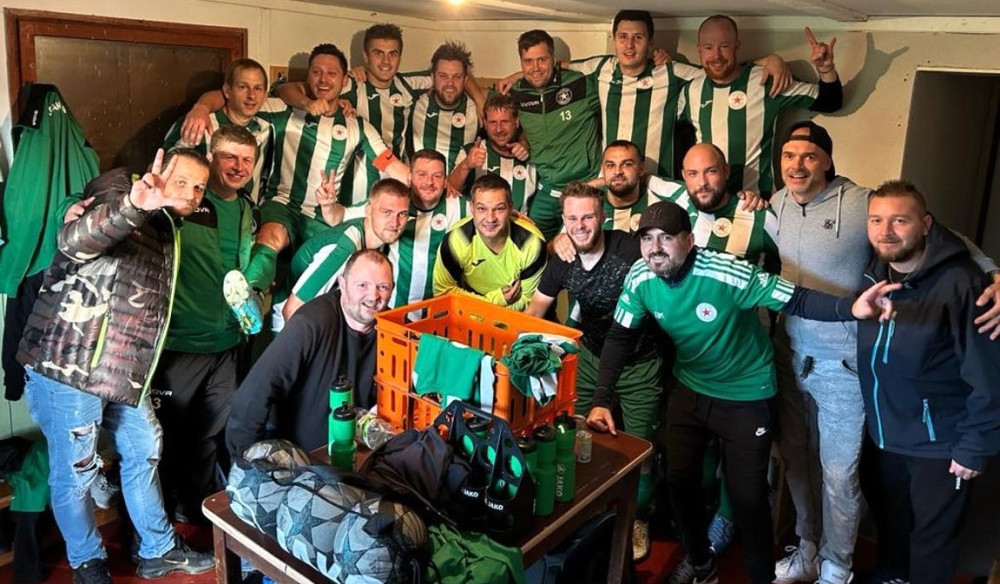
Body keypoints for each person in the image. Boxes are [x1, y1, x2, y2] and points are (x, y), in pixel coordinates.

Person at [593, 200, 894, 584]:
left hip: (745, 394)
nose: (655, 248)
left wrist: (851, 308)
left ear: (689, 240)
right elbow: (620, 337)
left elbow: (796, 298)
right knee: (679, 482)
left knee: (747, 498)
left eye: (666, 238)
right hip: (691, 386)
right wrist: (601, 399)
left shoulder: (726, 272)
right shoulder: (640, 277)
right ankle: (701, 565)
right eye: (647, 238)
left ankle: (760, 577)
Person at [769, 122, 1000, 584]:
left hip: (881, 393)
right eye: (789, 156)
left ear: (828, 160)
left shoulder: (867, 208)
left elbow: (948, 241)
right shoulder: (782, 206)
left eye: (809, 155)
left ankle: (839, 568)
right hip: (827, 381)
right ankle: (841, 557)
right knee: (826, 476)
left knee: (858, 488)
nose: (797, 165)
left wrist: (994, 273)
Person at [17, 149, 215, 583]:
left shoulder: (166, 224)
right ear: (159, 172)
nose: (192, 193)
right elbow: (74, 241)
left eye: (199, 187)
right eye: (182, 181)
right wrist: (132, 206)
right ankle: (87, 563)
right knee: (75, 473)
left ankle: (157, 550)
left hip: (120, 370)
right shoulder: (120, 191)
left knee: (144, 448)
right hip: (69, 366)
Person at [183, 44, 409, 335]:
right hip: (283, 202)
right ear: (308, 76)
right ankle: (251, 298)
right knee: (272, 237)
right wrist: (201, 107)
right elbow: (234, 100)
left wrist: (428, 184)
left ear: (344, 81)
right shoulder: (284, 109)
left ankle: (318, 335)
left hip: (323, 215)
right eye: (316, 72)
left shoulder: (358, 126)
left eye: (332, 73)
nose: (323, 79)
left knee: (325, 274)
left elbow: (392, 166)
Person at [860, 180, 1000, 584]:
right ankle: (892, 575)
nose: (886, 231)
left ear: (926, 225)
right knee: (892, 522)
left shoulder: (963, 283)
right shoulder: (873, 273)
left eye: (899, 220)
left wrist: (973, 447)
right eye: (876, 220)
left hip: (940, 442)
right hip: (886, 433)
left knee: (933, 541)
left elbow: (989, 375)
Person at [525, 182, 661, 561]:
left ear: (602, 217)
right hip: (590, 356)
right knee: (578, 438)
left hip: (640, 362)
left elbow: (668, 251)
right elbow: (535, 312)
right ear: (563, 220)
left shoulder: (627, 248)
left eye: (587, 217)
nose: (580, 225)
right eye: (572, 218)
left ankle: (639, 518)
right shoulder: (562, 258)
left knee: (641, 451)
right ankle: (586, 512)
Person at [151, 127, 258, 525]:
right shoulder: (181, 202)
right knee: (162, 444)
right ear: (211, 159)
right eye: (229, 157)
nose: (238, 167)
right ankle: (155, 534)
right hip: (179, 344)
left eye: (247, 160)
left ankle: (196, 516)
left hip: (226, 344)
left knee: (208, 438)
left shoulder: (246, 209)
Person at [565, 10, 791, 178]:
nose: (629, 45)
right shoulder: (599, 68)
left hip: (659, 184)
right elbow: (553, 68)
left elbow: (719, 69)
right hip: (613, 182)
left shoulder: (671, 72)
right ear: (614, 39)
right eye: (623, 36)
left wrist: (769, 60)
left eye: (638, 37)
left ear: (650, 43)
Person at [226, 249, 394, 456]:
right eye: (362, 285)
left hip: (359, 455)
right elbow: (252, 396)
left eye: (383, 287)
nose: (373, 296)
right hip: (301, 460)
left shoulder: (394, 330)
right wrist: (247, 461)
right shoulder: (311, 323)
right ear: (342, 284)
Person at [680, 16, 842, 196]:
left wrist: (826, 69)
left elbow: (830, 101)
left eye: (724, 47)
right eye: (708, 47)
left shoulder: (764, 80)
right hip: (708, 201)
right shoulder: (691, 89)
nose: (716, 55)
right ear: (699, 49)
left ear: (736, 46)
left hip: (757, 200)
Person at [275, 24, 431, 202]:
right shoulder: (348, 83)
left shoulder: (407, 84)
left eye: (393, 54)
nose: (386, 62)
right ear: (365, 56)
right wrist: (308, 103)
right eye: (378, 53)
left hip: (394, 182)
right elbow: (286, 89)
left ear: (400, 57)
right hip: (351, 195)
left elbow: (449, 76)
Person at [507, 29, 602, 239]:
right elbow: (500, 118)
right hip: (548, 190)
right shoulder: (515, 93)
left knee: (585, 244)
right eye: (528, 61)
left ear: (553, 59)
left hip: (586, 185)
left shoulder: (579, 84)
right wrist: (522, 140)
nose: (535, 68)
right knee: (530, 242)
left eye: (542, 60)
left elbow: (612, 68)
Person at [280, 178, 410, 325]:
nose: (395, 223)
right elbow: (291, 311)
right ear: (368, 210)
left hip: (326, 317)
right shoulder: (344, 249)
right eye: (386, 212)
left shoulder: (376, 239)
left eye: (402, 214)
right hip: (289, 324)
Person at [163, 58, 272, 205]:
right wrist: (201, 107)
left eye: (257, 88)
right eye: (243, 87)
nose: (251, 96)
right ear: (227, 91)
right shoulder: (198, 122)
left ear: (265, 95)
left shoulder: (266, 127)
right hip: (199, 212)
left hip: (244, 212)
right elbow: (162, 168)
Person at [433, 173, 546, 311]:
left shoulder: (531, 243)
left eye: (499, 209)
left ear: (510, 208)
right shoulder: (456, 240)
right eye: (482, 209)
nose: (490, 218)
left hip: (514, 317)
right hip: (470, 313)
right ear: (471, 208)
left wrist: (484, 313)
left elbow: (530, 304)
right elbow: (443, 293)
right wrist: (496, 300)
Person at [448, 93, 536, 213]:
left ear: (516, 122)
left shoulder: (532, 154)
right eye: (493, 122)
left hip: (521, 223)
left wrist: (525, 143)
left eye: (504, 121)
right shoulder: (470, 152)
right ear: (485, 123)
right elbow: (449, 193)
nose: (499, 129)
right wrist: (466, 165)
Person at [409, 41, 481, 173]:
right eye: (443, 76)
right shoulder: (414, 101)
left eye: (457, 77)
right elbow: (386, 78)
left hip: (462, 185)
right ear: (432, 78)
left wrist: (480, 99)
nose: (450, 83)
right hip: (419, 185)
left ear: (465, 80)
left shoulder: (477, 109)